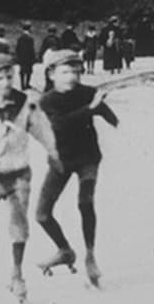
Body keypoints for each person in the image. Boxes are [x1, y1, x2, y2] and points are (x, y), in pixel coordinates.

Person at [0, 54, 62, 303]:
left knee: (19, 228)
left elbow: (42, 129)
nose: (6, 82)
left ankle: (17, 274)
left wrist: (54, 153)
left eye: (9, 76)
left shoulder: (26, 104)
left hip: (18, 174)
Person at [35, 50, 119, 287]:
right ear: (51, 74)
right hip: (61, 160)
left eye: (76, 71)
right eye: (64, 72)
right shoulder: (48, 100)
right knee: (42, 214)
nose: (71, 76)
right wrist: (91, 108)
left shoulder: (88, 93)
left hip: (87, 158)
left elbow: (110, 117)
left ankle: (90, 255)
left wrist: (105, 109)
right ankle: (65, 251)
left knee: (85, 202)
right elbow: (60, 126)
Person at [39, 24, 61, 91]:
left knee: (47, 70)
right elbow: (60, 48)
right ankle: (53, 85)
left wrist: (40, 56)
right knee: (55, 71)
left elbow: (43, 48)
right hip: (55, 56)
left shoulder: (46, 39)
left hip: (48, 56)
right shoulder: (57, 39)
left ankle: (48, 85)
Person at [16, 21, 36, 90]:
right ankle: (27, 84)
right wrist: (33, 58)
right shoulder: (30, 38)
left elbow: (17, 48)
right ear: (29, 29)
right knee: (29, 71)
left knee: (22, 71)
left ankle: (22, 85)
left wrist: (18, 56)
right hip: (28, 57)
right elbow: (31, 49)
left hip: (21, 57)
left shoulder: (20, 38)